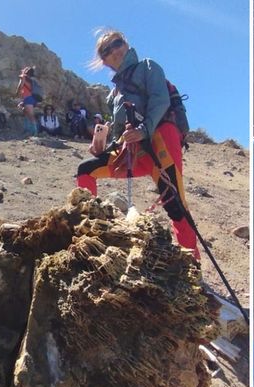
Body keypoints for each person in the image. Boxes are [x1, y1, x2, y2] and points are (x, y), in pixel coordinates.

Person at [75, 30, 199, 259]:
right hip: (133, 150)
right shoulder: (114, 94)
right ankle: (87, 233)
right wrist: (103, 147)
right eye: (106, 50)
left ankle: (194, 268)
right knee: (86, 169)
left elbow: (160, 100)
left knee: (176, 206)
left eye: (116, 43)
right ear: (103, 60)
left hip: (161, 139)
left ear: (126, 43)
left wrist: (143, 131)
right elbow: (122, 130)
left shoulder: (148, 67)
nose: (113, 51)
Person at [16, 66, 38, 135]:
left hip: (27, 98)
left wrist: (17, 93)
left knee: (30, 115)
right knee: (26, 114)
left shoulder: (23, 77)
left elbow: (20, 86)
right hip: (31, 98)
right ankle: (28, 130)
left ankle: (34, 132)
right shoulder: (31, 80)